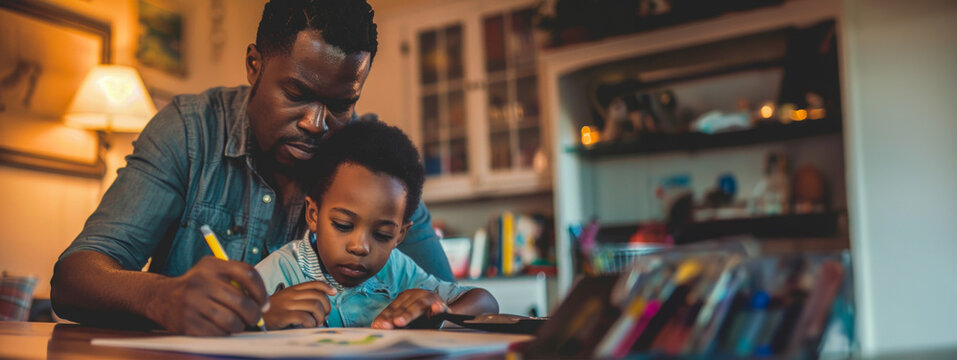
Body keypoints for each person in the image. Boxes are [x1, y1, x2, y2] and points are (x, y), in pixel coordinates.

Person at [50, 0, 453, 336]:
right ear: (254, 64)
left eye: (341, 104)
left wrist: (425, 309)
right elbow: (74, 279)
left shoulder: (378, 166)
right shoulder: (190, 132)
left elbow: (448, 304)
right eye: (297, 93)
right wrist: (161, 296)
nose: (316, 123)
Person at [257, 121, 498, 329]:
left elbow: (486, 302)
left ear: (400, 235)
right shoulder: (284, 269)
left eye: (382, 235)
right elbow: (228, 320)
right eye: (342, 225)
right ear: (313, 214)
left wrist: (443, 311)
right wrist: (263, 315)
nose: (360, 247)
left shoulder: (399, 272)